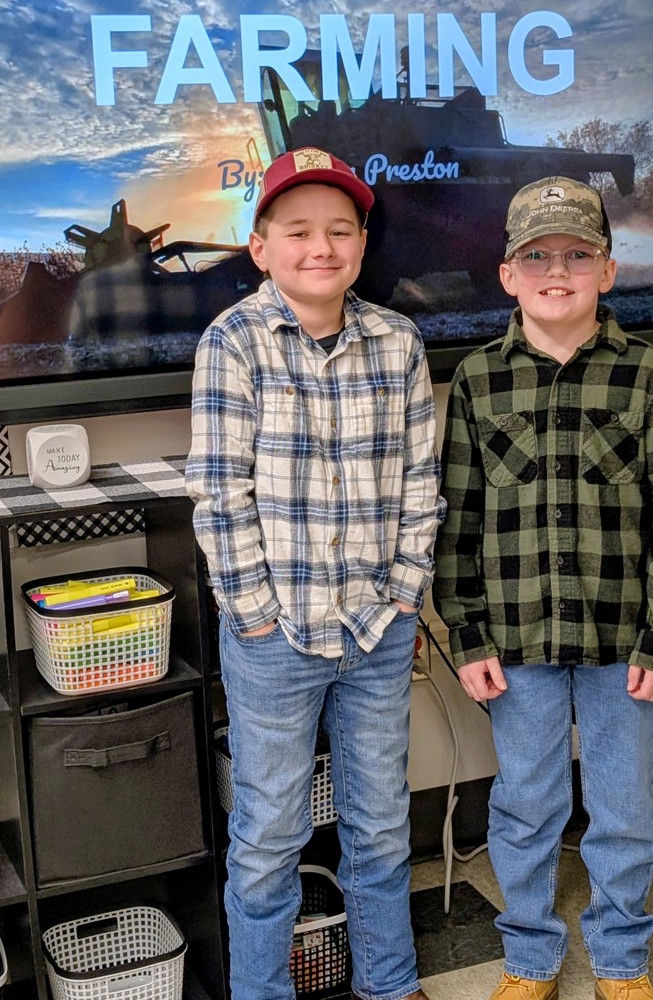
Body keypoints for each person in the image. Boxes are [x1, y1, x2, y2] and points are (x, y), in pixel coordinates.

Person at [185, 147, 445, 1000]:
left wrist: (404, 596)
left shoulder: (398, 342)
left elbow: (419, 484)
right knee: (269, 837)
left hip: (376, 630)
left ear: (363, 245)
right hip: (275, 639)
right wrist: (255, 615)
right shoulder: (233, 342)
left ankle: (389, 983)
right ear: (260, 247)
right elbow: (219, 493)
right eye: (297, 231)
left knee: (381, 824)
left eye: (339, 230)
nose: (320, 247)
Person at [432, 176, 653, 1000]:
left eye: (578, 256)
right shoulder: (477, 380)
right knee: (526, 804)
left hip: (626, 642)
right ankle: (530, 957)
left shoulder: (649, 375)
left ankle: (621, 959)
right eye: (538, 257)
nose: (558, 272)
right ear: (507, 275)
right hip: (516, 642)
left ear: (608, 271)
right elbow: (458, 520)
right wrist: (466, 635)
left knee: (624, 808)